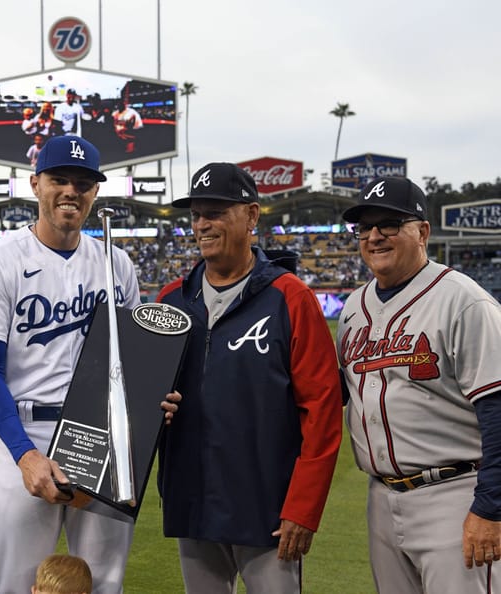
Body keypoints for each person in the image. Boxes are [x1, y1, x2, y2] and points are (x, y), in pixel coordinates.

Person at [0, 135, 178, 594]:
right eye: (60, 179)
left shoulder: (117, 264)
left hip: (103, 436)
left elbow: (132, 364)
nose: (71, 192)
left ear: (95, 193)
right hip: (26, 432)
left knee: (101, 582)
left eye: (84, 183)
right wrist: (25, 454)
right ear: (35, 184)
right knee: (16, 584)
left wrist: (154, 405)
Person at [156, 162, 344, 593]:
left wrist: (303, 507)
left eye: (217, 212)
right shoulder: (171, 300)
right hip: (192, 502)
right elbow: (145, 398)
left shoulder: (291, 298)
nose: (203, 224)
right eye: (196, 214)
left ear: (252, 216)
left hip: (269, 511)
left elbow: (322, 410)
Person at [337, 176, 501, 593]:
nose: (374, 237)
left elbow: (498, 411)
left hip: (456, 494)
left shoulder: (465, 301)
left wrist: (491, 508)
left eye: (389, 224)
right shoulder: (354, 307)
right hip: (380, 499)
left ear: (422, 231)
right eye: (365, 227)